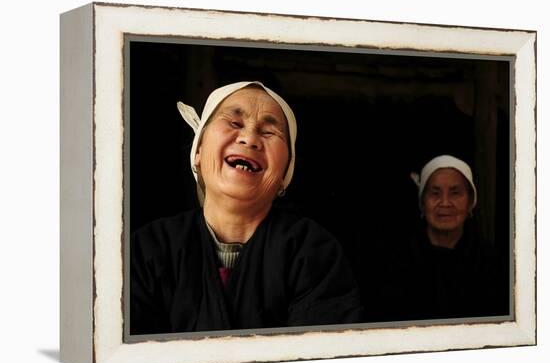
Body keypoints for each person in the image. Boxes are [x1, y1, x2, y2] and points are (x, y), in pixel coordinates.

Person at [130, 81, 363, 335]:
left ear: (285, 174)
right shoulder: (147, 249)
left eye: (269, 132)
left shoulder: (312, 251)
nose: (250, 138)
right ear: (198, 152)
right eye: (234, 122)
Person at [401, 155, 509, 320]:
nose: (445, 203)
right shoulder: (399, 262)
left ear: (470, 202)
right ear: (422, 203)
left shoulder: (491, 263)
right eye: (435, 193)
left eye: (455, 193)